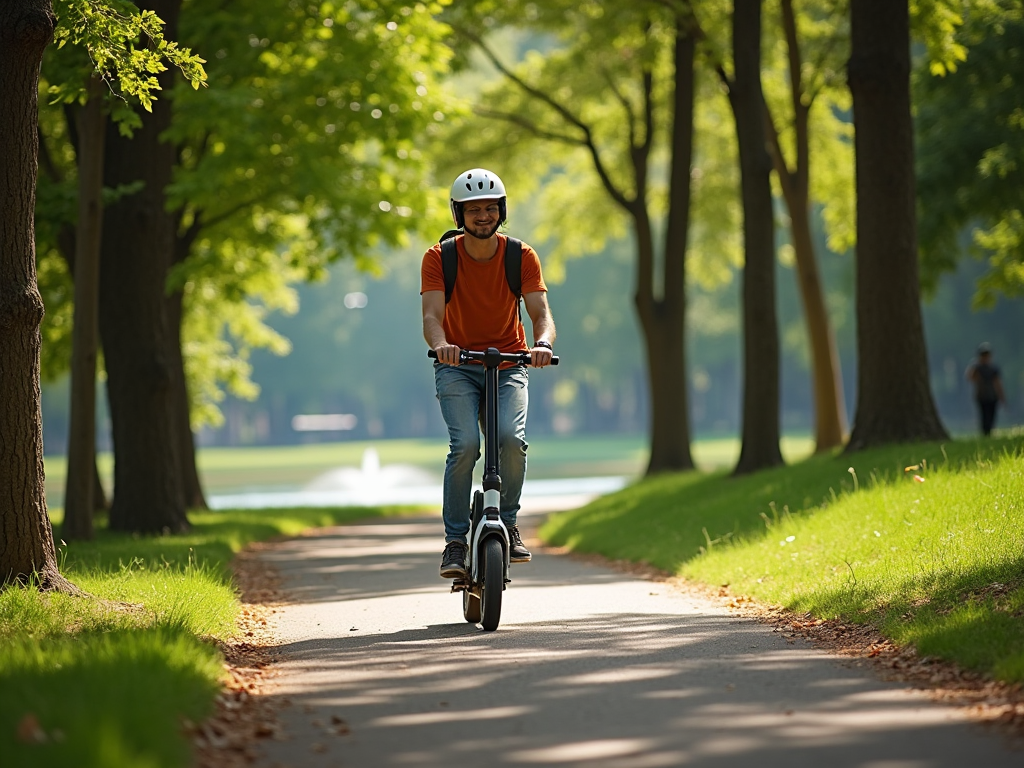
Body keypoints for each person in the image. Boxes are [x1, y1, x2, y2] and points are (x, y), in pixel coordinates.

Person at [420, 168, 556, 578]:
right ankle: (456, 542)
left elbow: (541, 313)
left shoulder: (521, 255)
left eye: (490, 208)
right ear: (459, 214)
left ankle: (509, 524)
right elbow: (431, 315)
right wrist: (441, 345)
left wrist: (543, 345)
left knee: (511, 441)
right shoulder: (438, 257)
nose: (483, 215)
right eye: (473, 209)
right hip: (458, 365)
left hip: (510, 362)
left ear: (502, 210)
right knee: (464, 447)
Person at [965, 342, 1006, 436]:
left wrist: (1002, 396)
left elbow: (998, 383)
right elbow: (970, 377)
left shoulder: (993, 368)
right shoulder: (977, 368)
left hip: (992, 395)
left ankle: (989, 431)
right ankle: (985, 432)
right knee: (984, 415)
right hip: (982, 396)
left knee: (991, 415)